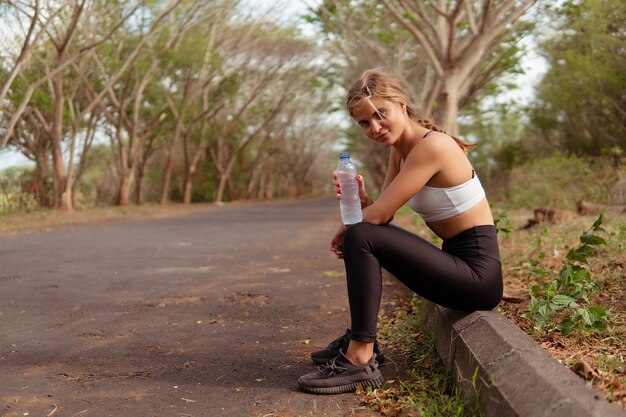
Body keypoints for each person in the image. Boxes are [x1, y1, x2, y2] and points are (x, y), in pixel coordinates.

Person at [297, 68, 503, 395]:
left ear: (402, 104)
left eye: (381, 114)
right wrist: (365, 202)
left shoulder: (432, 147)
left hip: (478, 277)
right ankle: (359, 341)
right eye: (365, 122)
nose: (375, 127)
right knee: (361, 235)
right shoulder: (400, 150)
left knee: (360, 235)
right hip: (456, 264)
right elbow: (385, 214)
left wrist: (350, 225)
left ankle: (361, 355)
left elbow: (375, 221)